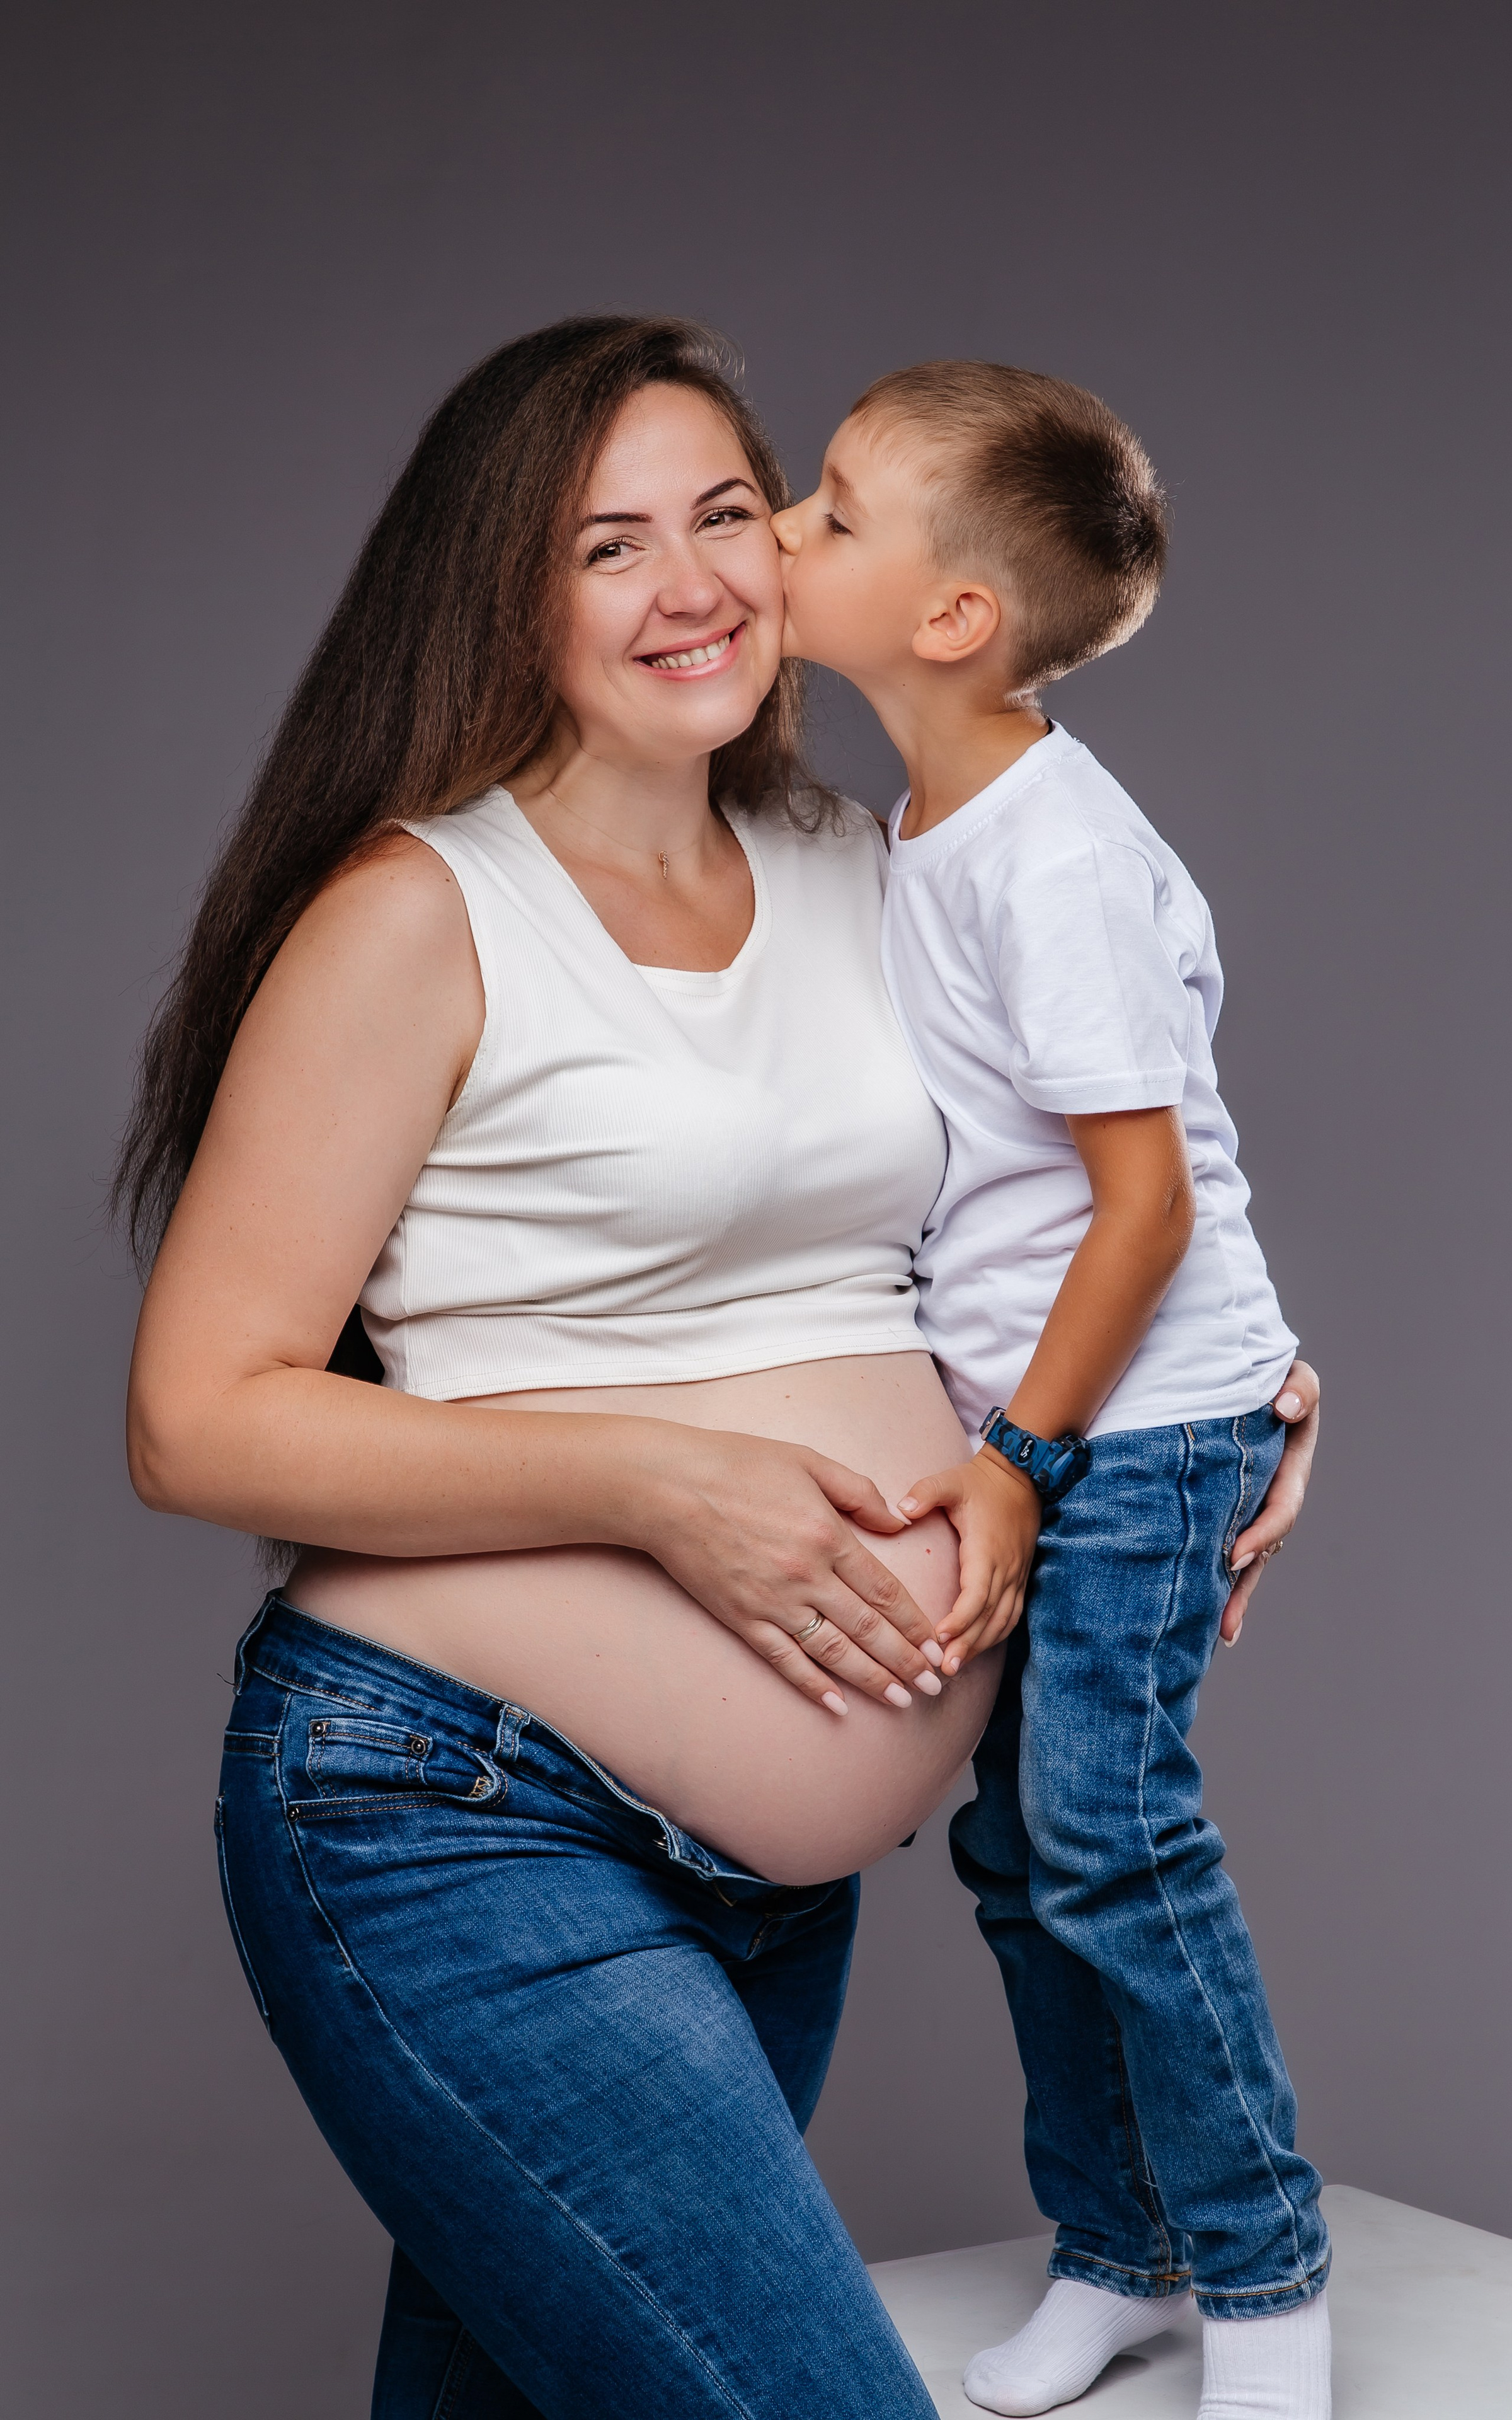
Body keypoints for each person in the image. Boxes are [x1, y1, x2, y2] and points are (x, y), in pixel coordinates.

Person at [120, 316, 1318, 2420]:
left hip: (760, 1891)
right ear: (502, 592)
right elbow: (197, 1415)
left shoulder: (880, 867)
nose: (692, 584)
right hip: (464, 1821)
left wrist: (1247, 1392)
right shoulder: (419, 914)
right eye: (605, 544)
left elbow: (1097, 1176)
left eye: (725, 514)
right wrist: (673, 1489)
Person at [773, 362, 1329, 2419]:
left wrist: (1014, 1458)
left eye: (830, 512)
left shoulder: (1054, 862)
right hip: (1078, 1420)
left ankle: (1267, 2281)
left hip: (1140, 1426)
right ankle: (1121, 2250)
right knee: (1024, 1859)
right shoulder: (920, 826)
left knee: (1111, 1836)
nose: (784, 526)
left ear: (951, 621)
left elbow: (1150, 1203)